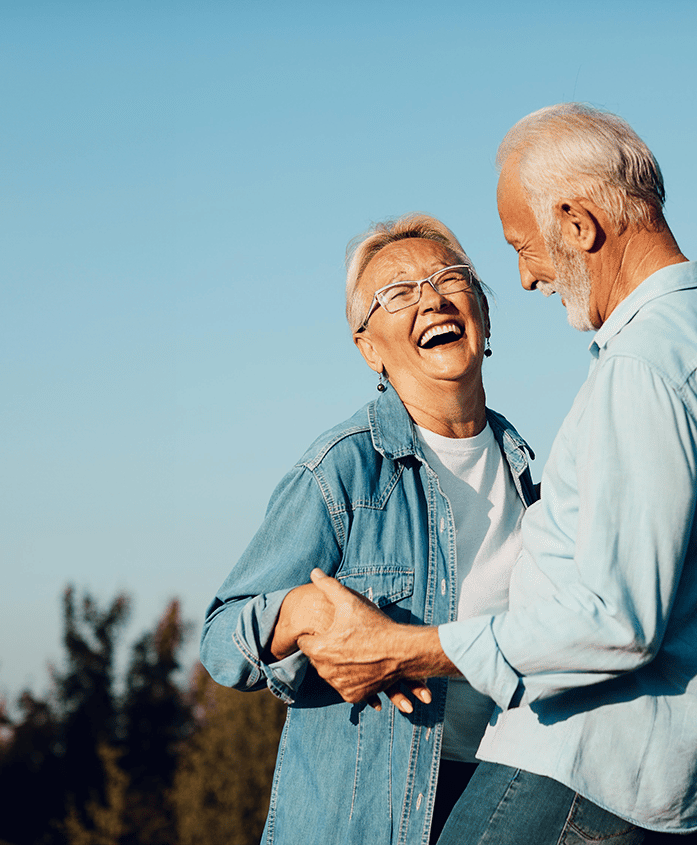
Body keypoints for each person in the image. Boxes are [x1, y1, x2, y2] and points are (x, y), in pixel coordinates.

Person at [294, 104, 697, 844]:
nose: (526, 277)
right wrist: (672, 574)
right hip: (681, 790)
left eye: (524, 246)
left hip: (574, 774)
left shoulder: (641, 366)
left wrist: (404, 647)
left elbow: (615, 622)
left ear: (578, 224)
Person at [200, 214, 540, 844]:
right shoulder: (344, 469)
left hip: (503, 796)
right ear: (369, 348)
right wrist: (301, 610)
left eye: (449, 279)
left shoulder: (529, 469)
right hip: (370, 820)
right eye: (398, 293)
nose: (432, 299)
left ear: (484, 315)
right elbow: (222, 639)